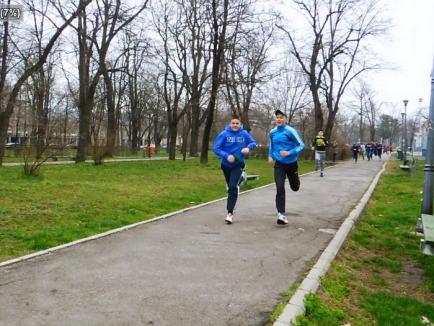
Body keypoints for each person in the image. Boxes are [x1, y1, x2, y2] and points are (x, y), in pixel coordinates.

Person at [213, 115, 256, 224]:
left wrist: (248, 148)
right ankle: (239, 180)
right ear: (230, 124)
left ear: (240, 124)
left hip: (238, 164)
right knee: (230, 187)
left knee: (232, 187)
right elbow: (216, 148)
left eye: (237, 123)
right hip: (226, 165)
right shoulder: (224, 134)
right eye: (233, 123)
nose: (235, 125)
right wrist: (227, 156)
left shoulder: (244, 133)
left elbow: (253, 143)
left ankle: (230, 213)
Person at [268, 109, 305, 225]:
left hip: (291, 163)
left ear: (285, 119)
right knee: (280, 187)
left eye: (281, 117)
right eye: (277, 117)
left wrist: (290, 152)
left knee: (295, 187)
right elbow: (272, 145)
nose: (279, 119)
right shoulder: (272, 132)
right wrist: (270, 156)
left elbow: (302, 145)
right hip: (279, 164)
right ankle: (281, 214)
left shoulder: (290, 131)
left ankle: (296, 181)